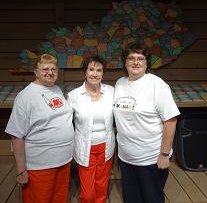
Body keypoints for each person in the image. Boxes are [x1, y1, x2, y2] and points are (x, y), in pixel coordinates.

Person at [113, 43, 180, 203]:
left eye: (140, 58)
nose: (136, 62)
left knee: (151, 199)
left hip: (150, 159)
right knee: (131, 199)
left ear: (146, 63)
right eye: (131, 58)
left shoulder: (157, 85)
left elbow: (170, 121)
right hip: (126, 158)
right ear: (125, 62)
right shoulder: (120, 83)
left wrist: (164, 155)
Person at [5, 54, 74, 203]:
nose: (50, 72)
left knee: (59, 199)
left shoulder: (56, 89)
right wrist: (21, 169)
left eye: (54, 69)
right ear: (35, 71)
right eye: (45, 69)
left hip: (64, 160)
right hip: (40, 165)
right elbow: (16, 135)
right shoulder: (25, 96)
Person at [67, 56, 115, 203]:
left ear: (103, 73)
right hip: (85, 147)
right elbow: (66, 123)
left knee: (101, 187)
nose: (95, 73)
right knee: (87, 194)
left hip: (106, 146)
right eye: (91, 69)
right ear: (85, 72)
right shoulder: (73, 95)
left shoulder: (112, 92)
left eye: (99, 70)